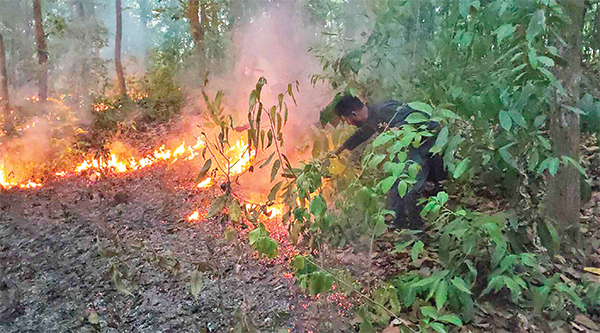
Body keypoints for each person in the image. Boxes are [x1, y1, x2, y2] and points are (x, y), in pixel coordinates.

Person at [331, 95, 445, 230]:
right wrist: (338, 151)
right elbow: (362, 134)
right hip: (409, 147)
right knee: (395, 184)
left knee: (410, 188)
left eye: (347, 120)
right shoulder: (372, 116)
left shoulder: (384, 110)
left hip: (425, 144)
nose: (349, 123)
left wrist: (398, 128)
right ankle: (398, 224)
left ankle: (417, 231)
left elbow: (421, 119)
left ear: (354, 114)